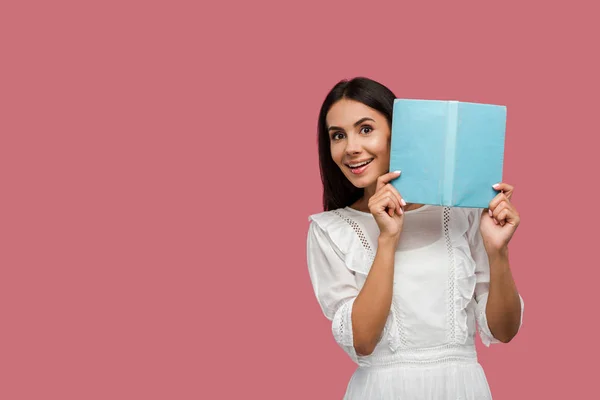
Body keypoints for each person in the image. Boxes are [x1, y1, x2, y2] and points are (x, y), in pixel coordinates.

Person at [306, 77, 524, 399]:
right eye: (338, 135)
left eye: (366, 129)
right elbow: (363, 340)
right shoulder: (329, 230)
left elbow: (504, 331)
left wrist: (498, 251)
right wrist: (387, 238)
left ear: (400, 132)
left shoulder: (461, 212)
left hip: (462, 389)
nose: (351, 147)